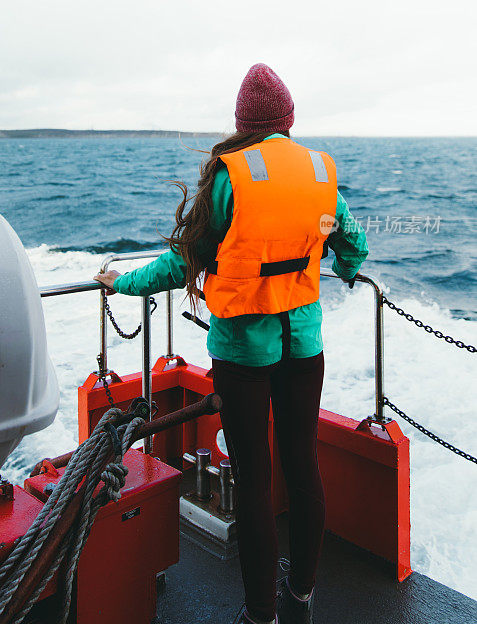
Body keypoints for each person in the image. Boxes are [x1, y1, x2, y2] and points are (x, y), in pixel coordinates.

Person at [94, 63, 369, 624]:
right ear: (288, 120)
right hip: (305, 345)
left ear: (244, 122)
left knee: (254, 478)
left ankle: (260, 614)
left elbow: (184, 261)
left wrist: (123, 282)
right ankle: (302, 595)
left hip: (244, 355)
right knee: (302, 467)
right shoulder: (320, 170)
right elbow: (352, 238)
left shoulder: (230, 175)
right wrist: (347, 266)